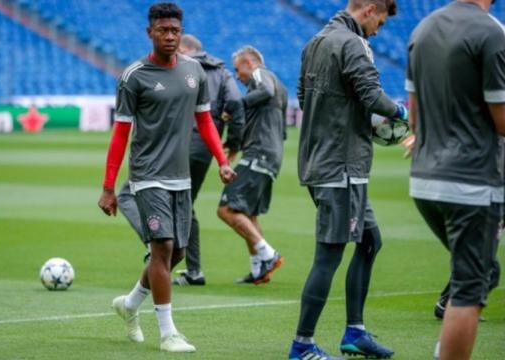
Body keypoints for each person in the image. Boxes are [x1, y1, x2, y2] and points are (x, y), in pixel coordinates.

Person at [97, 3, 235, 353]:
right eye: (163, 30)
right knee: (162, 248)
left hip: (181, 177)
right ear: (150, 33)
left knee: (179, 253)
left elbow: (205, 121)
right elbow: (120, 135)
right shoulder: (134, 76)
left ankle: (129, 305)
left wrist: (222, 161)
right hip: (147, 175)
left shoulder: (195, 72)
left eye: (175, 30)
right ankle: (168, 332)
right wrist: (108, 188)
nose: (170, 36)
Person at [289, 1, 405, 359]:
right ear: (370, 9)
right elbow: (371, 96)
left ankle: (355, 332)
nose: (378, 31)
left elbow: (304, 98)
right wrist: (404, 113)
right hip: (340, 167)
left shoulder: (315, 42)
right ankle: (302, 345)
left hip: (325, 162)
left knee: (370, 241)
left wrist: (350, 119)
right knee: (329, 254)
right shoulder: (353, 44)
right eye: (380, 23)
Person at [405, 0, 505, 359]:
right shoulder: (491, 32)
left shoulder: (422, 29)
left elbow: (414, 118)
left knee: (469, 278)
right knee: (469, 290)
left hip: (423, 179)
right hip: (472, 183)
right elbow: (502, 121)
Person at [116, 33, 245, 286]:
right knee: (186, 206)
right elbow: (236, 103)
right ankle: (194, 271)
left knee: (126, 194)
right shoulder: (220, 70)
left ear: (184, 47)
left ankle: (155, 241)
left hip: (178, 145)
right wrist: (231, 146)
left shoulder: (183, 68)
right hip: (208, 147)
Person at [216, 45, 287, 285]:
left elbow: (264, 90)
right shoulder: (280, 86)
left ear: (249, 63)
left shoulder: (262, 75)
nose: (237, 76)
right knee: (248, 214)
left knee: (226, 209)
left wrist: (235, 106)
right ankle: (259, 269)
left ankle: (268, 255)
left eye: (238, 69)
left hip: (260, 152)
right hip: (271, 154)